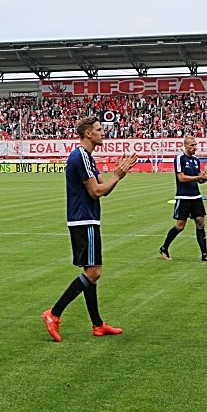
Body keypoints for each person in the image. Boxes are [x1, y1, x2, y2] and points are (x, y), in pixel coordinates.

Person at [42, 117, 137, 342]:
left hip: (85, 219)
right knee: (94, 272)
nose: (102, 133)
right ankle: (53, 314)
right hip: (84, 220)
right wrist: (117, 176)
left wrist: (117, 176)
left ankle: (97, 324)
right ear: (87, 134)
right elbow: (95, 192)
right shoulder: (80, 157)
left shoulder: (87, 158)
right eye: (99, 130)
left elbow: (104, 189)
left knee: (91, 273)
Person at [160, 136, 207, 262]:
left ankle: (205, 254)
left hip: (196, 196)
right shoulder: (179, 158)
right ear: (185, 146)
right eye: (192, 145)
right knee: (180, 226)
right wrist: (198, 178)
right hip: (183, 196)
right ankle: (164, 248)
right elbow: (181, 178)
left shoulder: (196, 160)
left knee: (200, 222)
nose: (195, 147)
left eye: (195, 145)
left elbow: (198, 177)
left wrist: (205, 178)